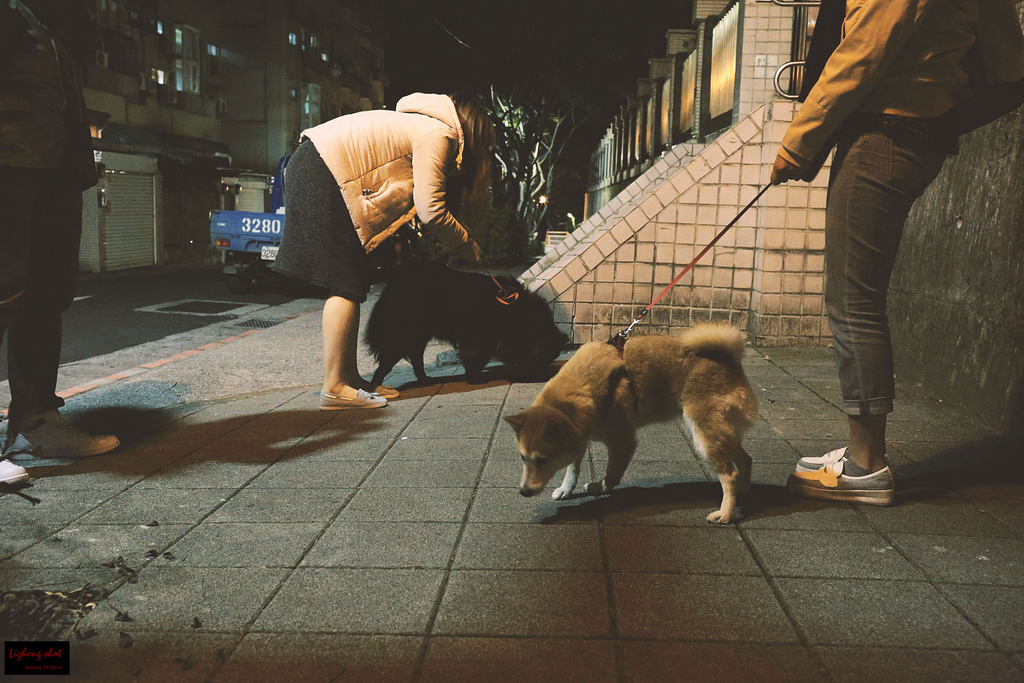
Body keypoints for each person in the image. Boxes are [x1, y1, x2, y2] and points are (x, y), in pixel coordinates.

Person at [771, 0, 1024, 505]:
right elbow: (1007, 56)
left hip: (883, 134)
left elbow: (862, 52)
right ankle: (861, 452)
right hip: (919, 129)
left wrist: (798, 145)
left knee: (854, 300)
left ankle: (866, 465)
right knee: (858, 296)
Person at [272, 92, 495, 410]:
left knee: (352, 281)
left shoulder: (424, 127)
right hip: (324, 170)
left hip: (317, 164)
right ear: (474, 134)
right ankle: (335, 387)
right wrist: (465, 243)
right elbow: (431, 208)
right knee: (346, 282)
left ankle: (349, 379)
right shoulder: (439, 135)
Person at [0, 0, 121, 485]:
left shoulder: (48, 19)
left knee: (45, 296)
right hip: (8, 165)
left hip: (55, 169)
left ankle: (37, 420)